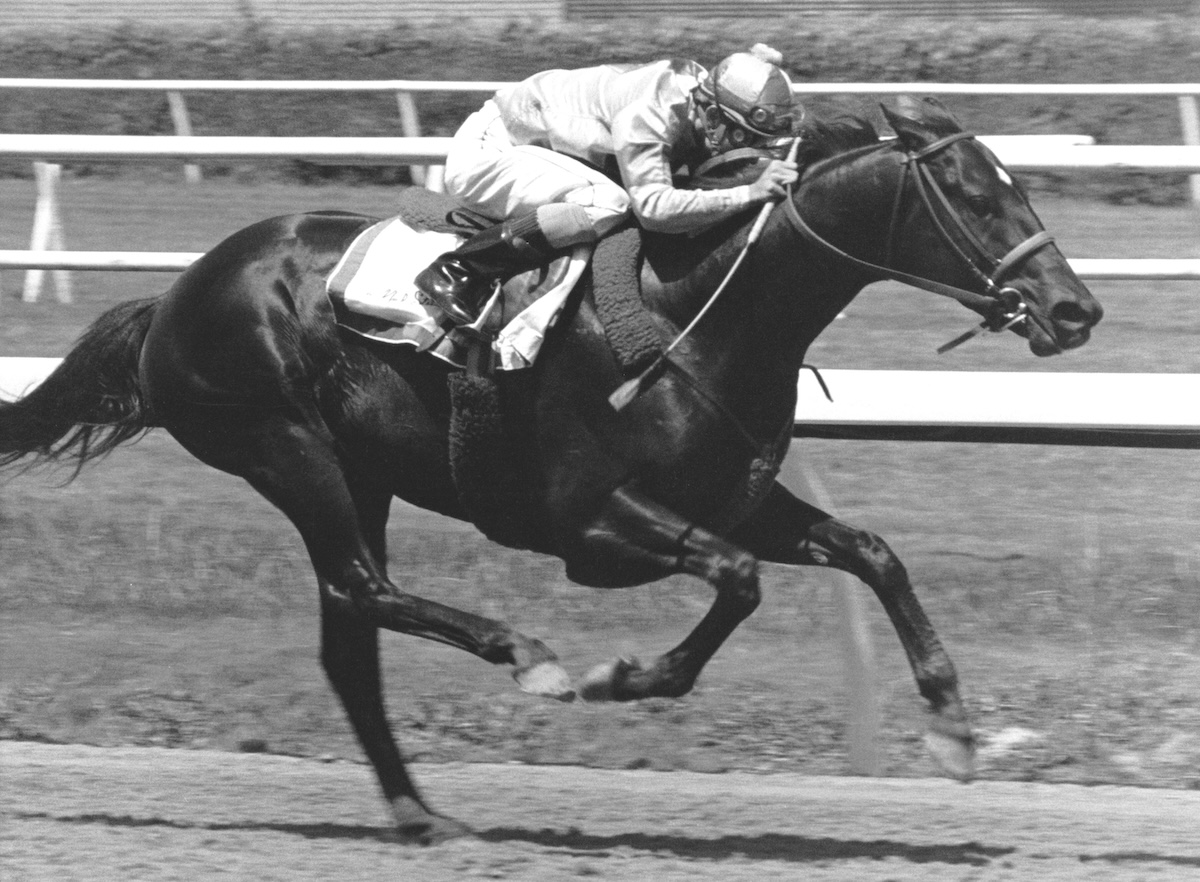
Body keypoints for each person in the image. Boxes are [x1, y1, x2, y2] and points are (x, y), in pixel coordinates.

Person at [416, 44, 804, 325]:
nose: (751, 149)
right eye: (745, 137)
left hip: (541, 147)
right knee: (608, 202)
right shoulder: (649, 114)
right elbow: (653, 209)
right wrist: (749, 193)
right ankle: (458, 268)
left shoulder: (701, 99)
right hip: (491, 151)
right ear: (715, 118)